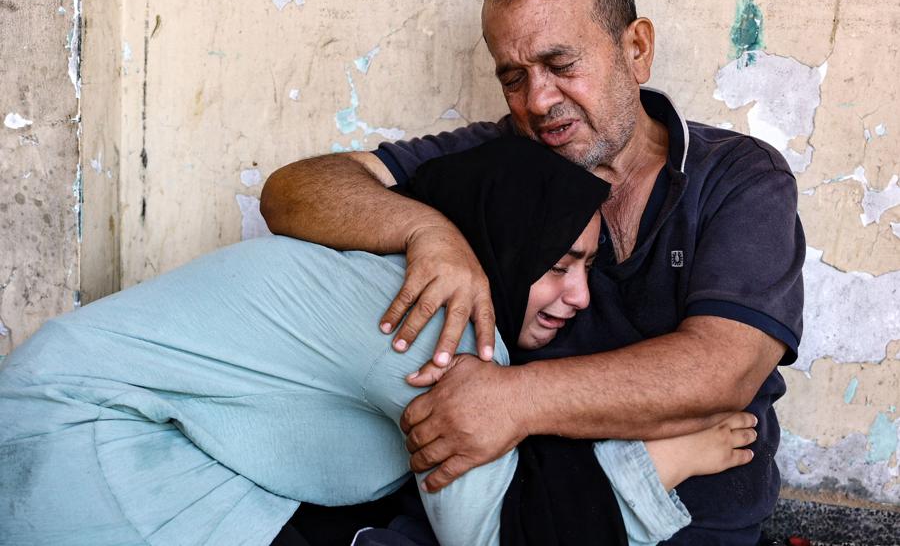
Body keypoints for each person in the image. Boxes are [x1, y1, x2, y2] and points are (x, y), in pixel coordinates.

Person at [260, 0, 805, 545]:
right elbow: (295, 191)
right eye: (513, 78)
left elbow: (721, 371)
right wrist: (427, 231)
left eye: (561, 65)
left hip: (692, 519)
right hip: (516, 507)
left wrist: (513, 401)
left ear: (636, 50)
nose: (538, 102)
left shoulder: (736, 176)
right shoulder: (498, 164)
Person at [0, 138, 757, 546]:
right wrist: (660, 464)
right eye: (559, 266)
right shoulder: (435, 315)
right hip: (73, 447)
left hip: (79, 426)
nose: (581, 296)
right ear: (509, 245)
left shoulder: (415, 276)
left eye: (589, 266)